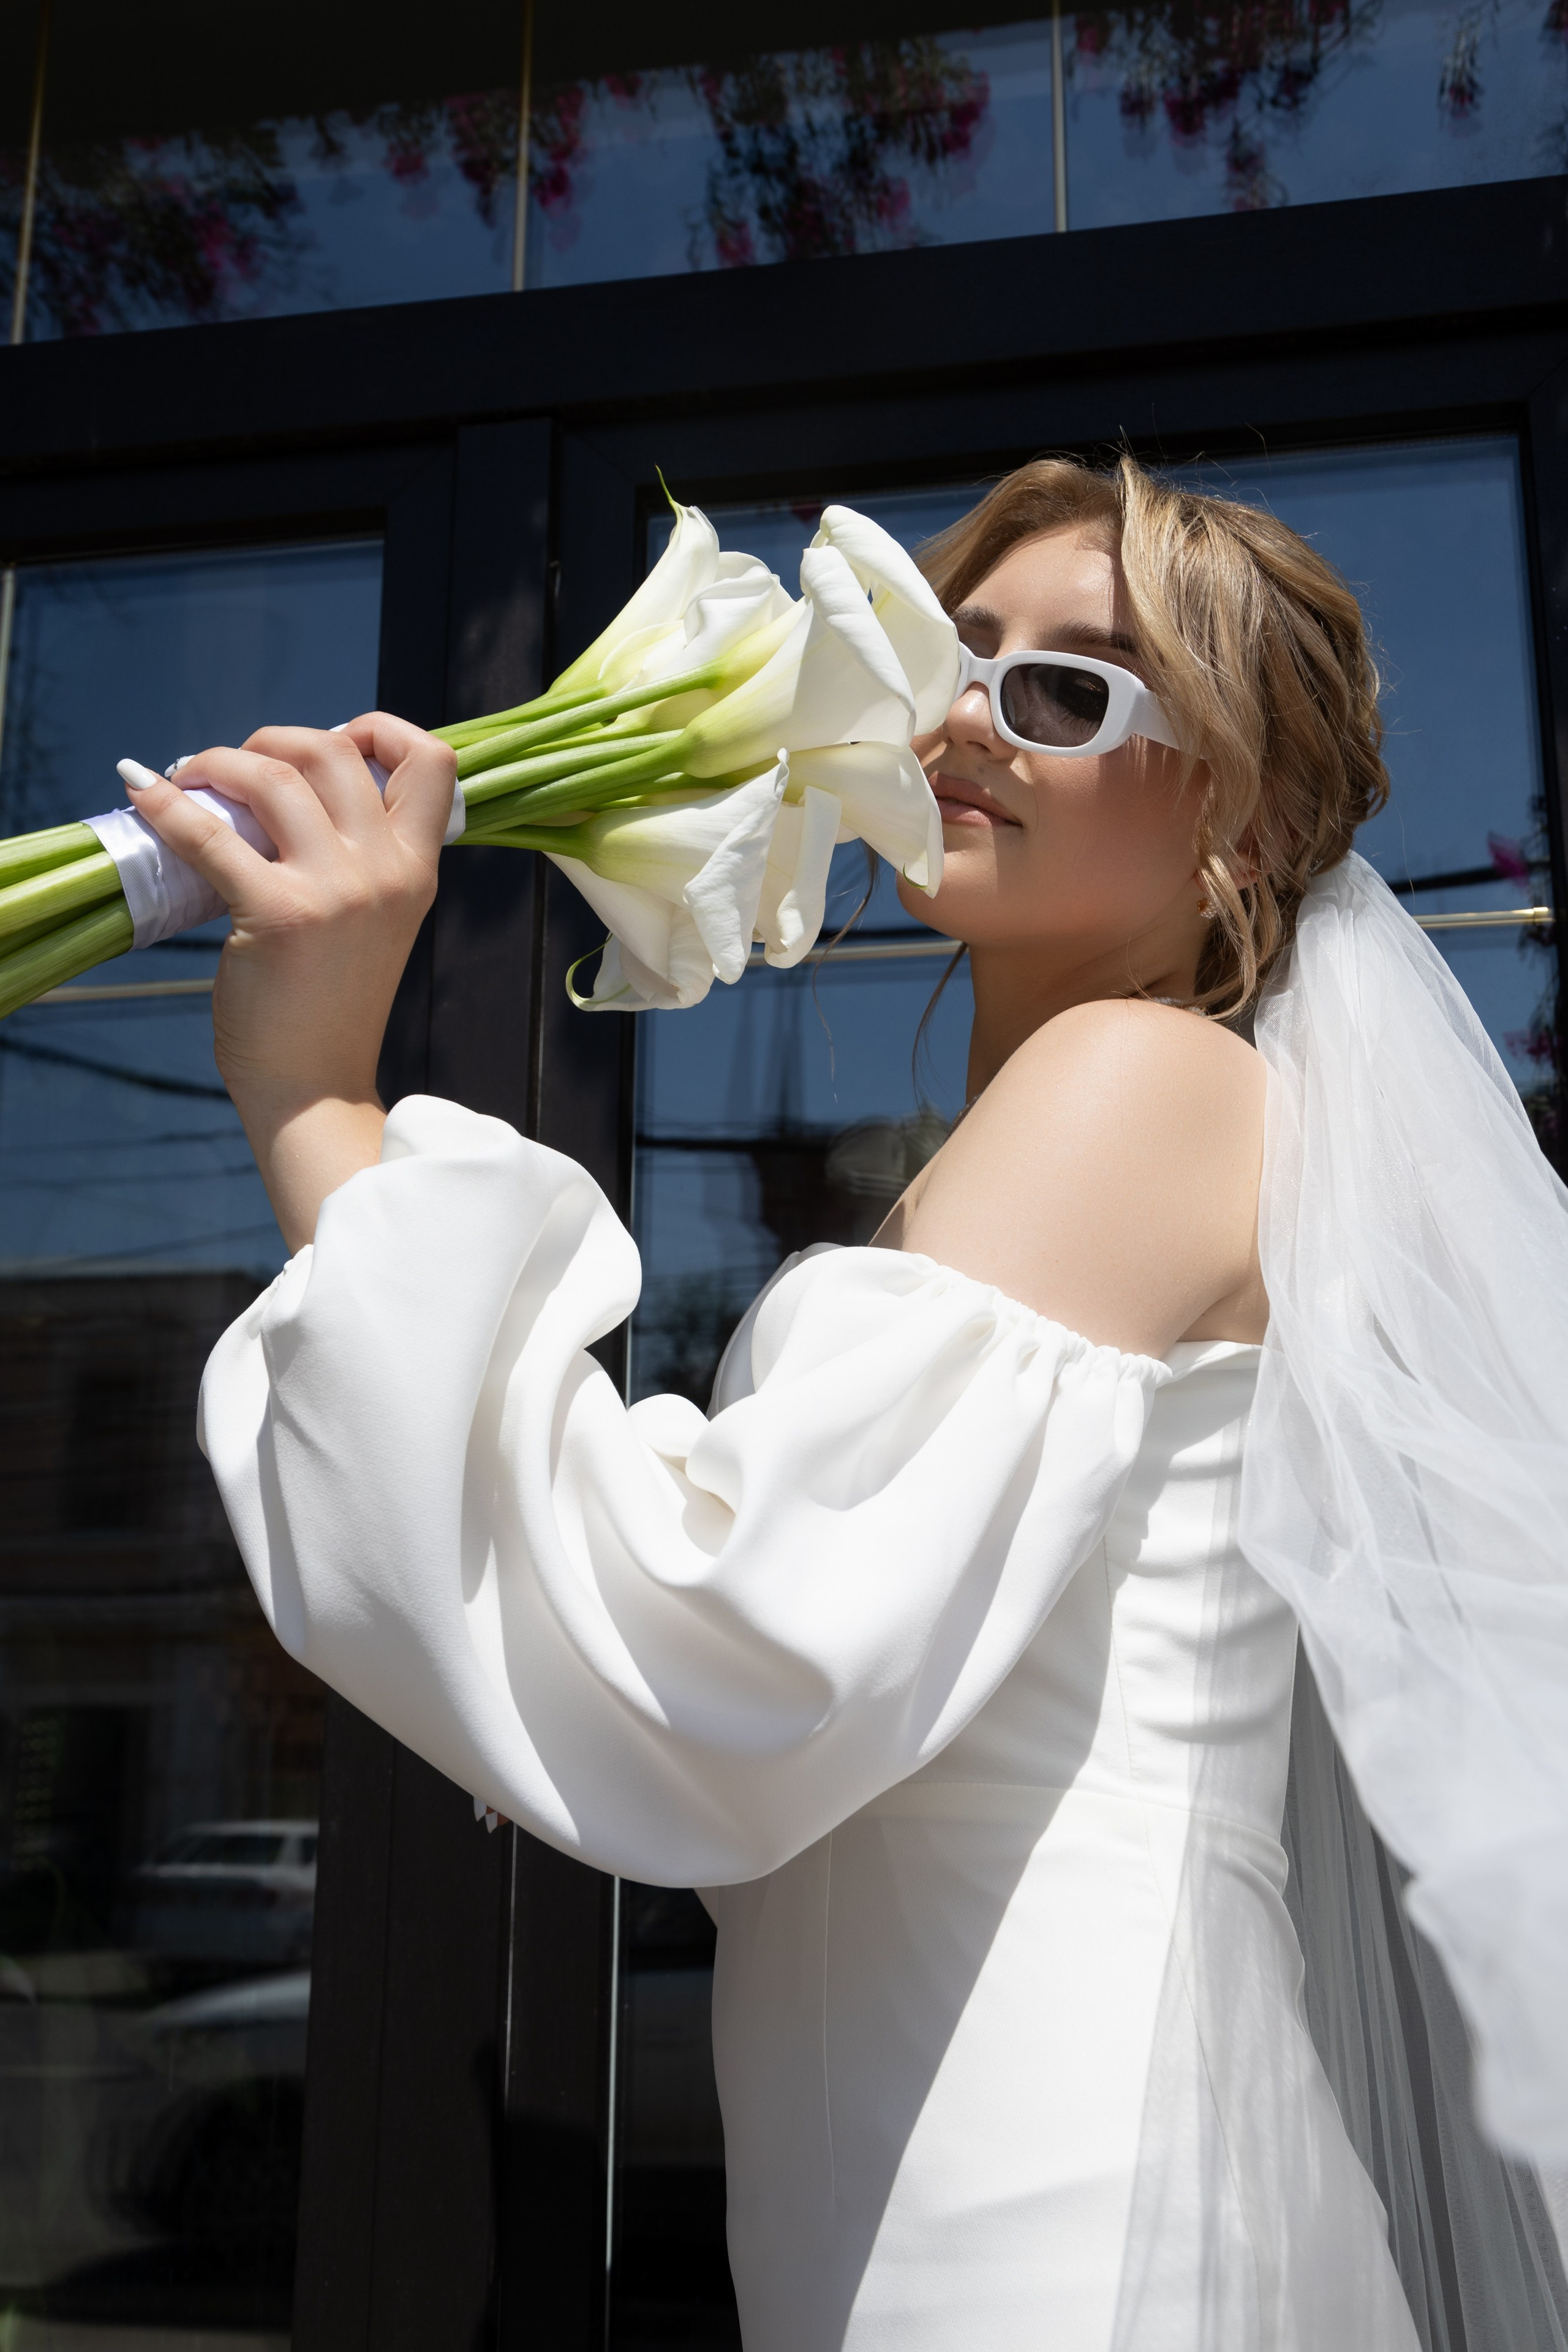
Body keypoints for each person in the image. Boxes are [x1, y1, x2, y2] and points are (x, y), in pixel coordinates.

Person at [121, 458, 1568, 2350]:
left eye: (1073, 688)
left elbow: (720, 1643)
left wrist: (320, 1099)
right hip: (950, 2120)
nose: (969, 715)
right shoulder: (1059, 1139)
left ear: (1242, 811)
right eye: (955, 657)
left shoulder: (1139, 1081)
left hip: (1057, 2173)